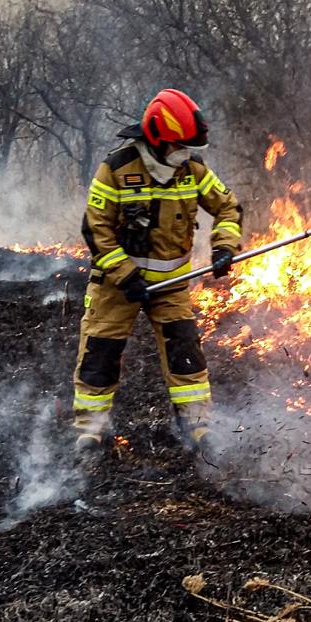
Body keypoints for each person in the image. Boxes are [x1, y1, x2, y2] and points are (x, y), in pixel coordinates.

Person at [72, 89, 243, 462]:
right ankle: (90, 431)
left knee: (186, 355)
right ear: (159, 138)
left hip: (172, 287)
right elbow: (95, 230)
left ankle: (196, 425)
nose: (186, 153)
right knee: (100, 354)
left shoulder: (192, 171)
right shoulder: (116, 170)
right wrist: (125, 274)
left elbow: (228, 207)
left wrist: (224, 247)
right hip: (117, 286)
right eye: (180, 146)